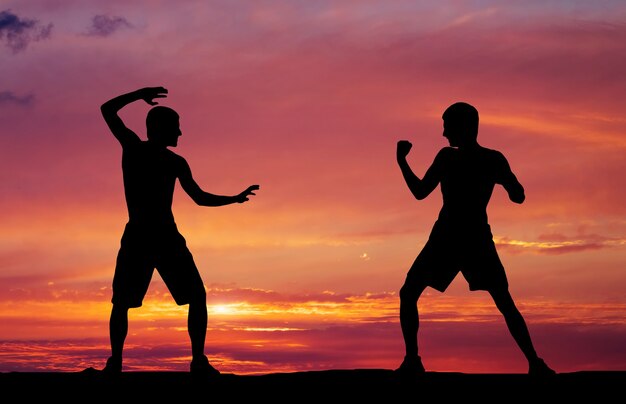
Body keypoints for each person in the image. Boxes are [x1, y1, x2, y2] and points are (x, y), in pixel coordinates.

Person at [100, 86, 259, 376]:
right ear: (160, 128)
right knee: (123, 301)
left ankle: (196, 361)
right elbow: (107, 110)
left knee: (194, 295)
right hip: (144, 236)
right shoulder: (135, 149)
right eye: (176, 127)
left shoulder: (173, 161)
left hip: (163, 237)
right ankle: (117, 363)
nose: (181, 133)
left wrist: (234, 199)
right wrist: (139, 94)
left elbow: (199, 197)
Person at [395, 101, 555, 376]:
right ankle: (534, 362)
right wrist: (507, 183)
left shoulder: (452, 158)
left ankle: (412, 360)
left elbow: (420, 192)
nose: (444, 134)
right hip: (469, 237)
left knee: (411, 293)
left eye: (448, 127)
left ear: (464, 127)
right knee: (503, 301)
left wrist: (402, 161)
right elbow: (518, 195)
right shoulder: (491, 159)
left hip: (453, 238)